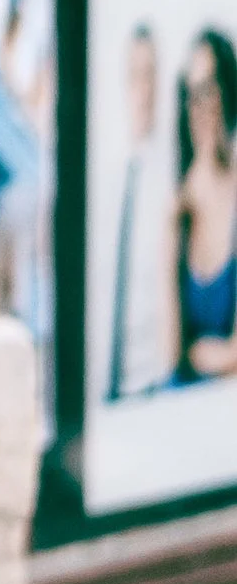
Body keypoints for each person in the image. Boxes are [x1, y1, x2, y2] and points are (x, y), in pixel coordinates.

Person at [109, 26, 178, 404]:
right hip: (111, 390)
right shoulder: (111, 179)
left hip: (157, 386)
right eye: (136, 74)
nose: (144, 89)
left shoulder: (173, 175)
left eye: (151, 73)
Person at [177, 31, 237, 382]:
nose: (201, 107)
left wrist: (194, 353)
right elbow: (170, 356)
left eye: (209, 90)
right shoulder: (179, 209)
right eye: (192, 94)